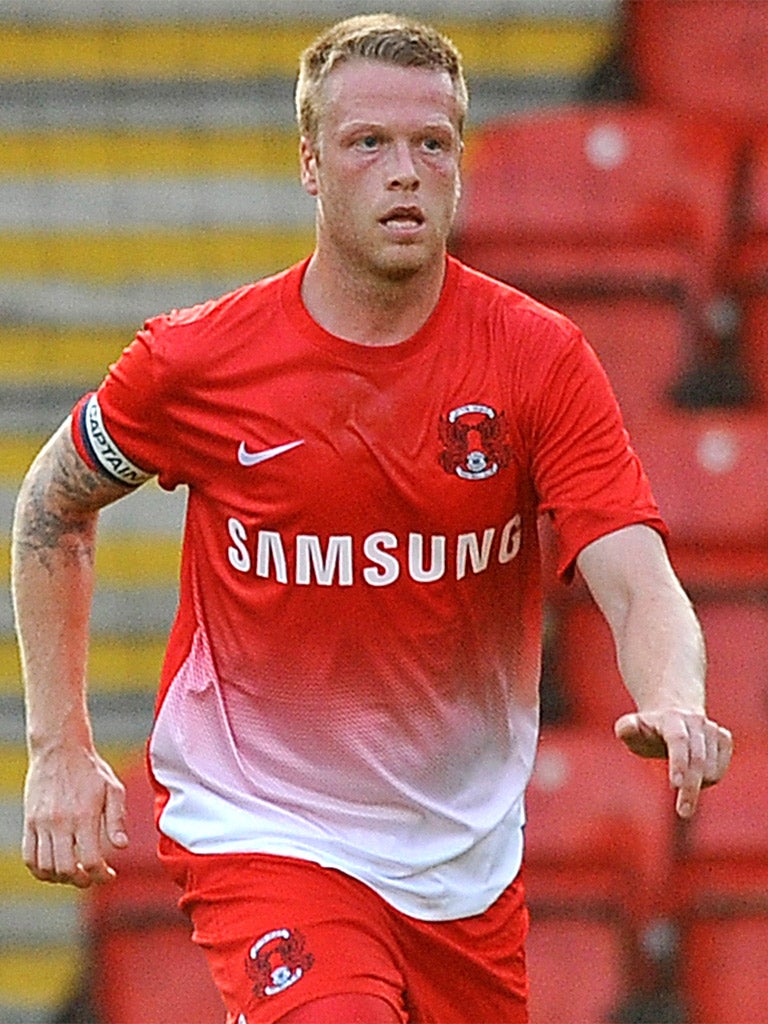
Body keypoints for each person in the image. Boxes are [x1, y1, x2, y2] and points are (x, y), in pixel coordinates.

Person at [11, 13, 733, 1024]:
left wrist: (675, 691)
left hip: (461, 869)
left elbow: (633, 569)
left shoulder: (538, 360)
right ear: (310, 164)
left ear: (460, 161)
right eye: (369, 144)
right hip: (264, 828)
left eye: (432, 143)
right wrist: (57, 745)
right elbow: (53, 501)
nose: (405, 170)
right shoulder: (196, 362)